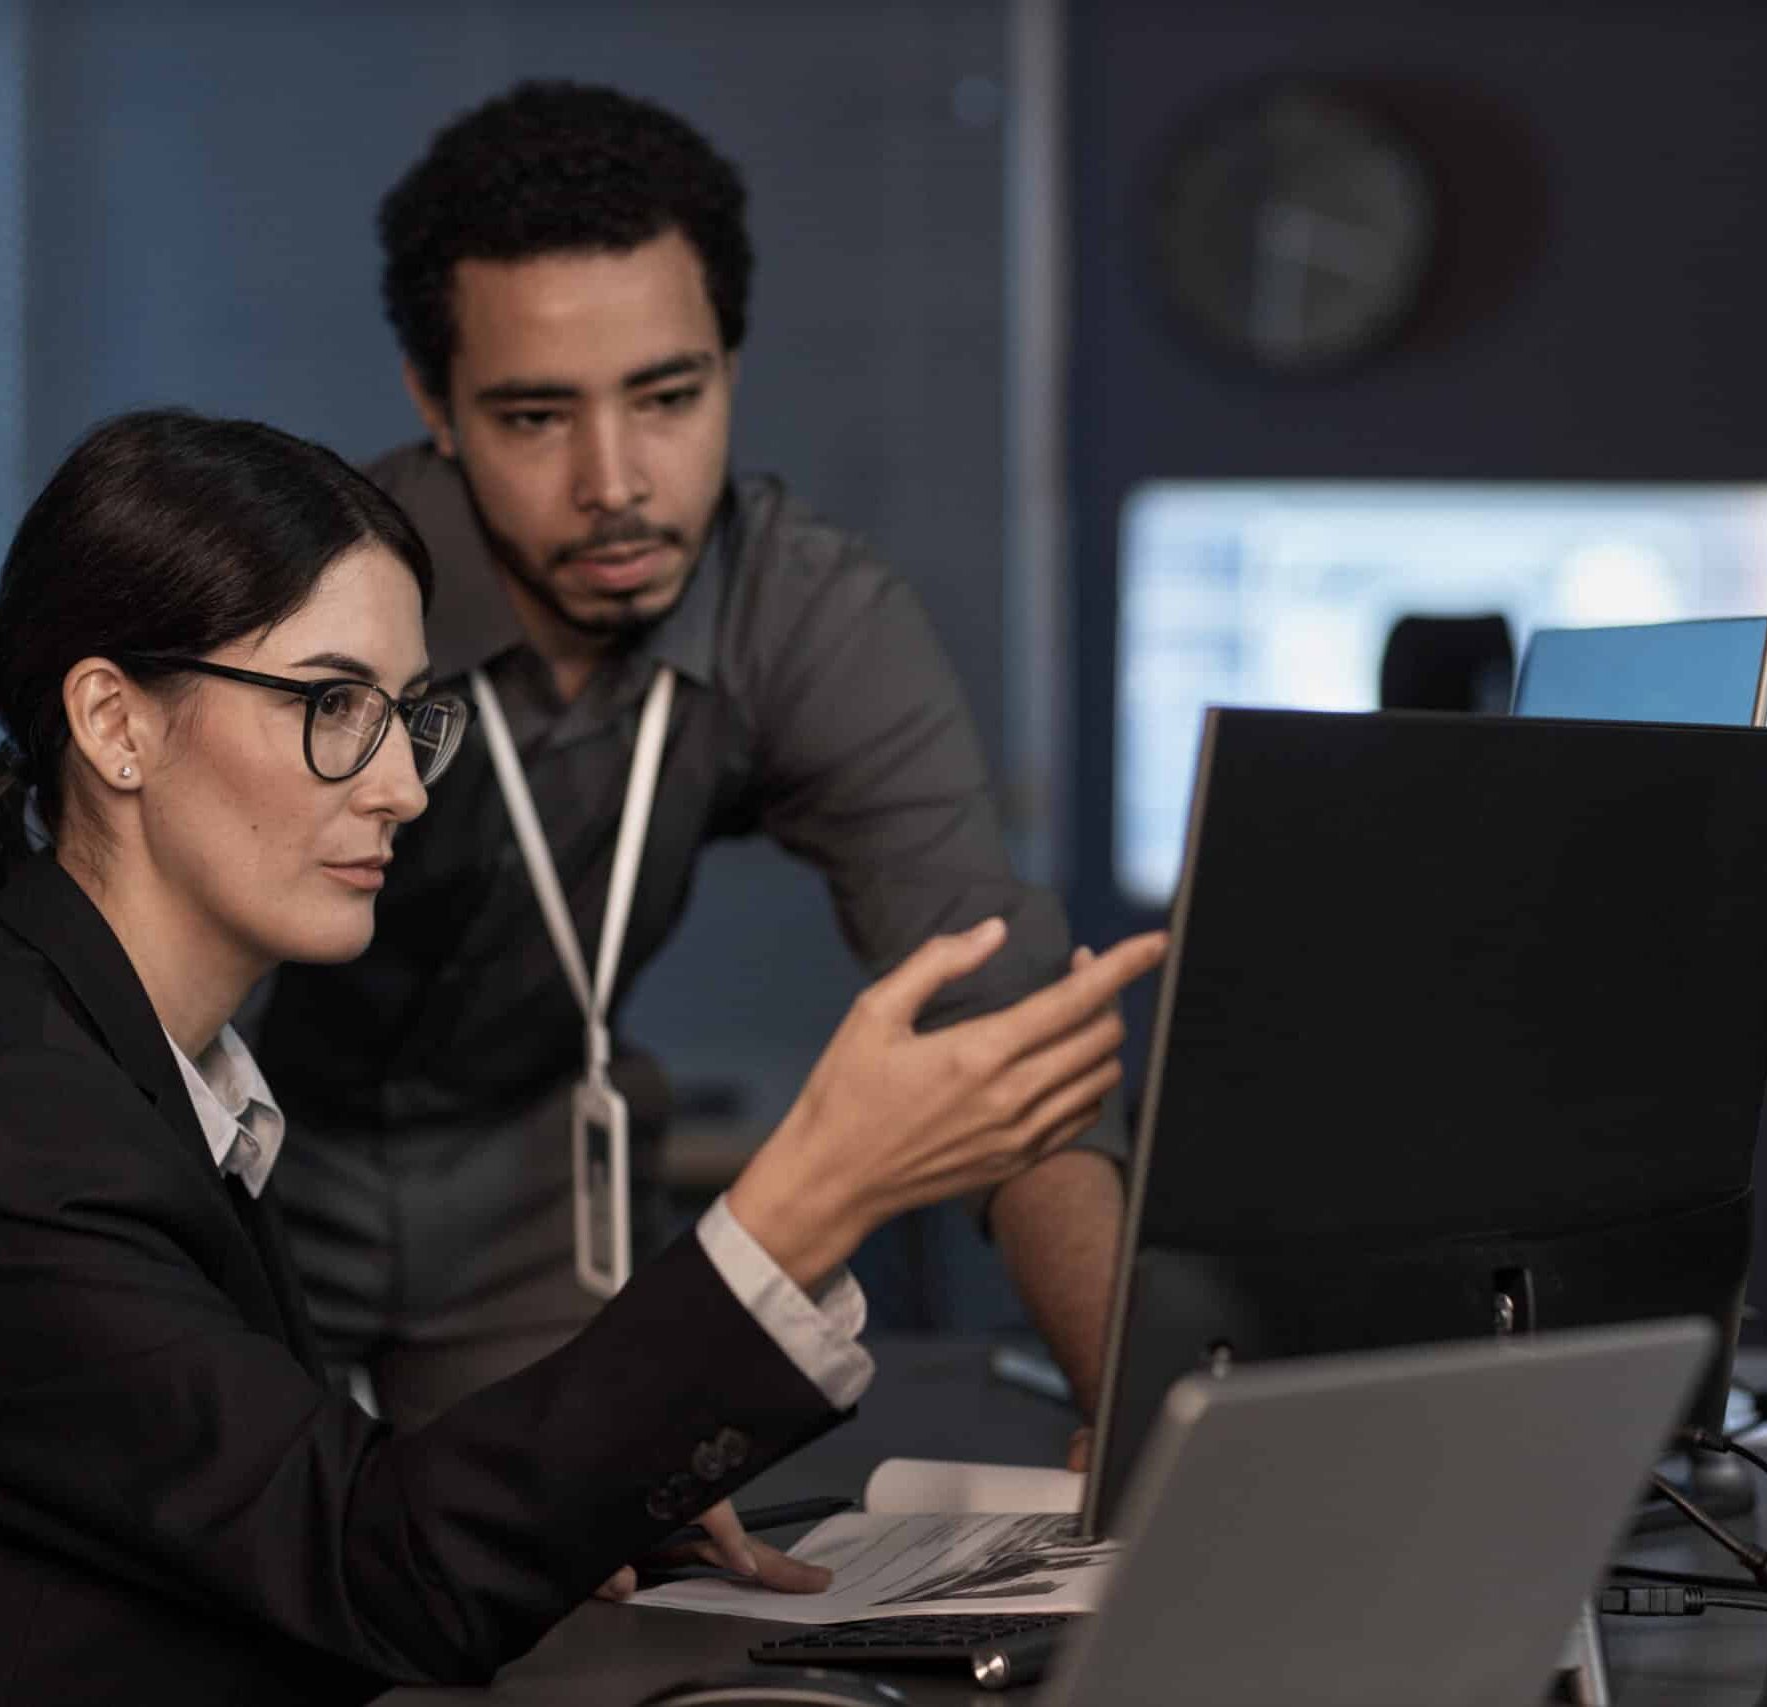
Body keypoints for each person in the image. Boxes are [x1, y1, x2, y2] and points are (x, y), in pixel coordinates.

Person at [0, 409, 1164, 1705]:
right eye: (332, 706)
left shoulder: (129, 1074)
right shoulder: (1, 1125)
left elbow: (291, 1517)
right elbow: (377, 1571)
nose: (398, 783)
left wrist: (583, 1508)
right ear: (114, 722)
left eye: (410, 714)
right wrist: (814, 1193)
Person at [260, 80, 1129, 1444]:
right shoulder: (316, 590)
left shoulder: (810, 614)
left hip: (534, 1196)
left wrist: (1135, 1417)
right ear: (437, 401)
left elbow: (997, 1024)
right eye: (537, 418)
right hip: (245, 1172)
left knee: (587, 1605)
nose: (615, 479)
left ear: (729, 361)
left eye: (666, 396)